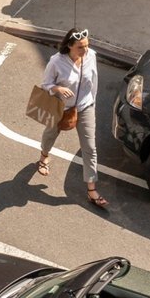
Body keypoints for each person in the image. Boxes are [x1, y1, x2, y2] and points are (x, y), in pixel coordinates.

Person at [36, 28, 109, 210]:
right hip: (61, 107)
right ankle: (44, 156)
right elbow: (45, 85)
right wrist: (58, 89)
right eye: (80, 47)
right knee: (51, 134)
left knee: (90, 148)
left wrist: (92, 102)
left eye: (86, 46)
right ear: (69, 46)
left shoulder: (91, 56)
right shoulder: (56, 62)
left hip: (85, 106)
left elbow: (94, 81)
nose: (85, 50)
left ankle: (91, 189)